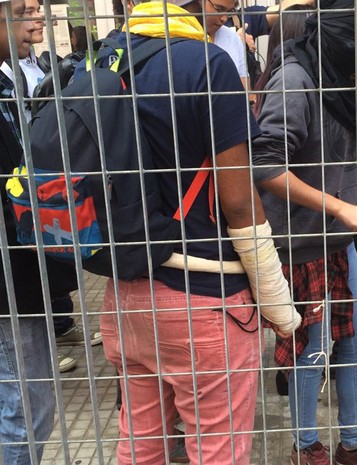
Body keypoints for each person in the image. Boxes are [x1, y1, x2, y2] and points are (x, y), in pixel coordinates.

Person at [96, 1, 300, 464]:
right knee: (217, 452)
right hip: (204, 297)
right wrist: (276, 300)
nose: (226, 21)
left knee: (139, 446)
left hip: (126, 293)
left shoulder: (109, 53)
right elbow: (239, 200)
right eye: (224, 10)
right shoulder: (206, 64)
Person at [252, 0, 357, 463]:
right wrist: (341, 205)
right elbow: (265, 165)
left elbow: (326, 152)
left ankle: (354, 443)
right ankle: (306, 448)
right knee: (313, 351)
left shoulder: (331, 73)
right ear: (341, 37)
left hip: (335, 241)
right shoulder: (296, 79)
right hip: (302, 244)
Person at [0, 1, 78, 463]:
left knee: (28, 405)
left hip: (24, 271)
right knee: (26, 409)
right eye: (22, 10)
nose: (36, 19)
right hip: (9, 281)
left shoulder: (10, 80)